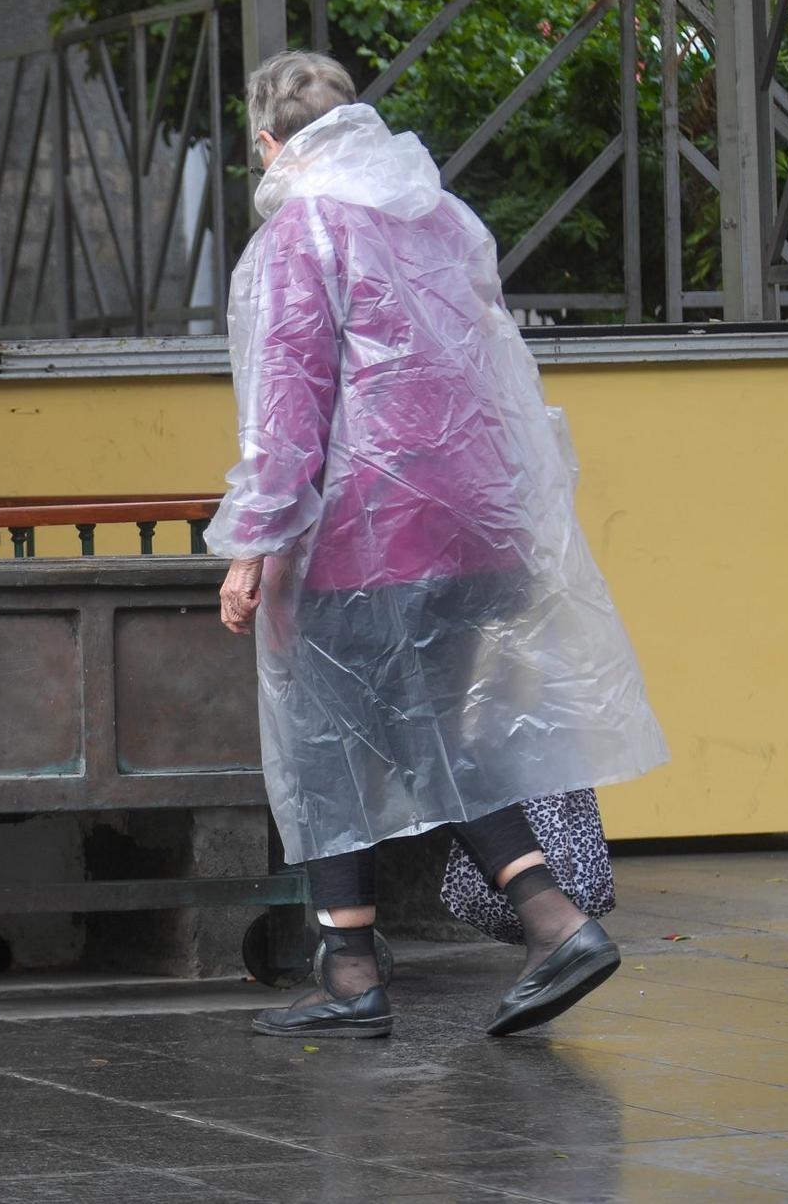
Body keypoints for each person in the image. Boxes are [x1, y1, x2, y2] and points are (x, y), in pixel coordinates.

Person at [210, 52, 670, 1039]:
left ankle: (547, 918)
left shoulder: (303, 232)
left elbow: (287, 400)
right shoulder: (440, 217)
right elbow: (497, 371)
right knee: (387, 731)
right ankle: (348, 968)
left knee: (380, 736)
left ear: (265, 141)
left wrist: (254, 540)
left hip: (361, 529)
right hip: (471, 522)